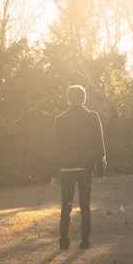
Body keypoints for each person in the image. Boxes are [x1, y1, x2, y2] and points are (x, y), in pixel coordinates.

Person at [51, 85, 106, 249]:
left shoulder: (60, 119)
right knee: (85, 206)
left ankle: (63, 241)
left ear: (69, 99)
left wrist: (54, 173)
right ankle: (85, 241)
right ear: (84, 98)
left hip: (66, 169)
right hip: (84, 168)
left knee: (66, 206)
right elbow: (99, 145)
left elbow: (56, 148)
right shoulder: (92, 117)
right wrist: (101, 170)